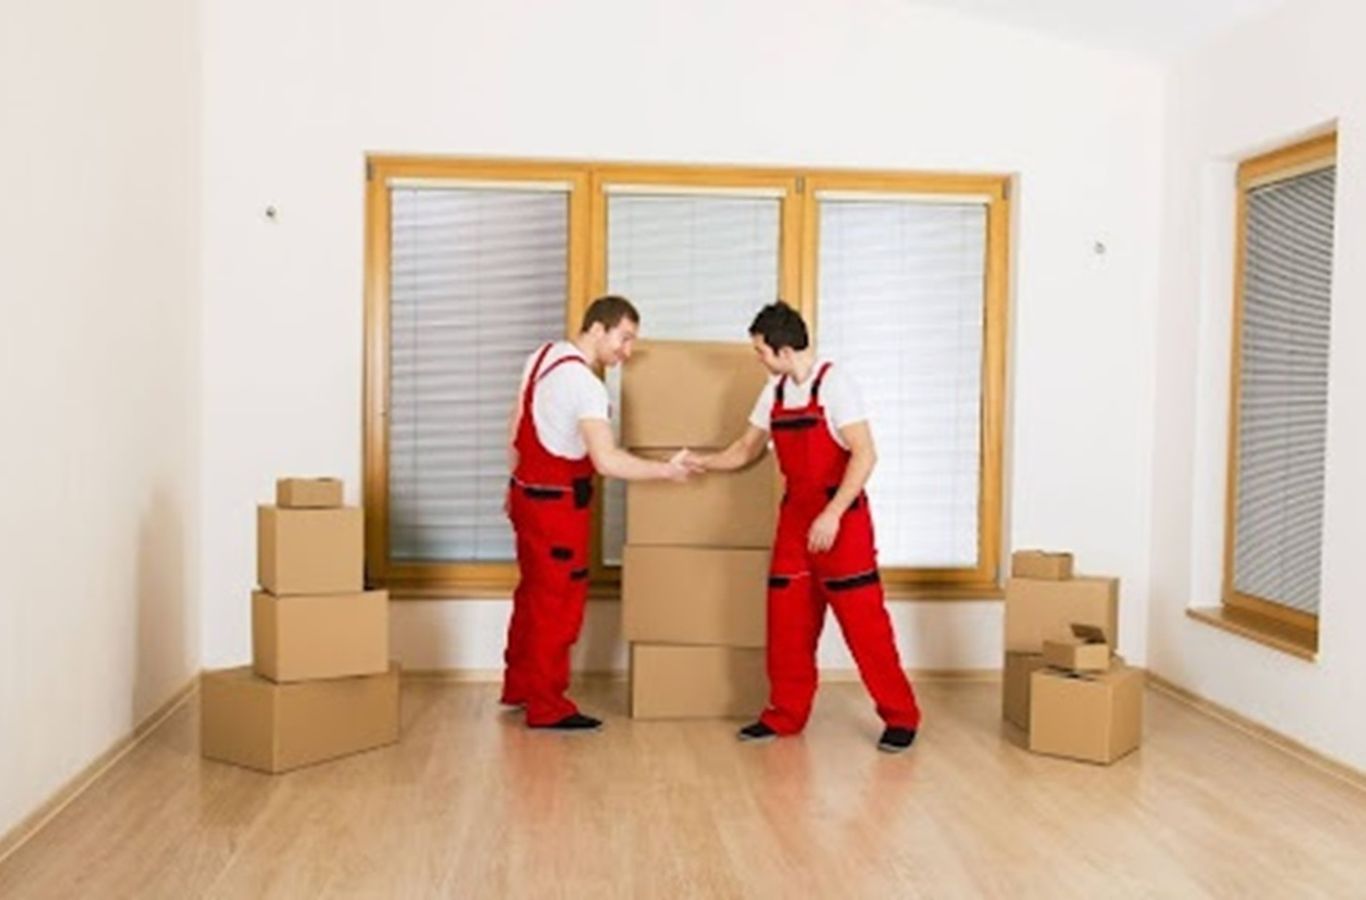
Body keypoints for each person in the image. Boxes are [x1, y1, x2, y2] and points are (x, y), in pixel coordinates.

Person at [694, 301, 921, 752]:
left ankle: (901, 717)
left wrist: (833, 513)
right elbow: (744, 450)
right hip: (795, 519)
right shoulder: (774, 390)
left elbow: (865, 453)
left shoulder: (836, 384)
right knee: (787, 623)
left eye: (760, 350)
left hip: (842, 522)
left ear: (781, 348)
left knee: (865, 627)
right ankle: (784, 714)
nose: (758, 357)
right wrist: (699, 462)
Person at [503, 295, 699, 731]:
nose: (627, 352)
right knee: (558, 604)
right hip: (557, 509)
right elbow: (607, 462)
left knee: (533, 594)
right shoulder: (586, 386)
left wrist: (512, 483)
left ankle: (520, 686)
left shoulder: (542, 357)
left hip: (526, 496)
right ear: (597, 329)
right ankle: (547, 706)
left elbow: (516, 424)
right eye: (624, 338)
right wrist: (666, 471)